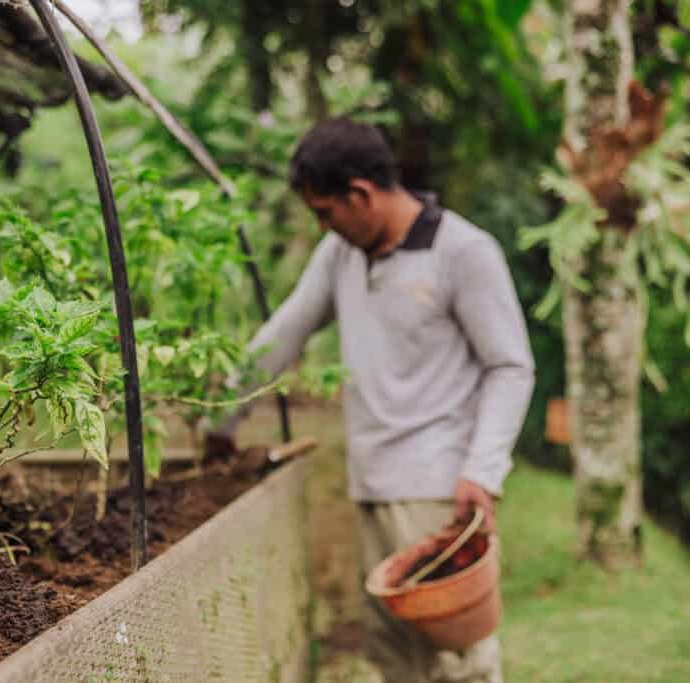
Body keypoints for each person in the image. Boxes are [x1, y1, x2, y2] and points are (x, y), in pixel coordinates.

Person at [209, 118, 534, 682]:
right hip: (373, 482)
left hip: (439, 492)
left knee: (458, 658)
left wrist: (483, 471)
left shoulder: (463, 252)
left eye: (325, 211)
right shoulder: (342, 254)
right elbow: (286, 329)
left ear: (359, 193)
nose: (323, 225)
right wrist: (220, 414)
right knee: (392, 653)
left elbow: (509, 366)